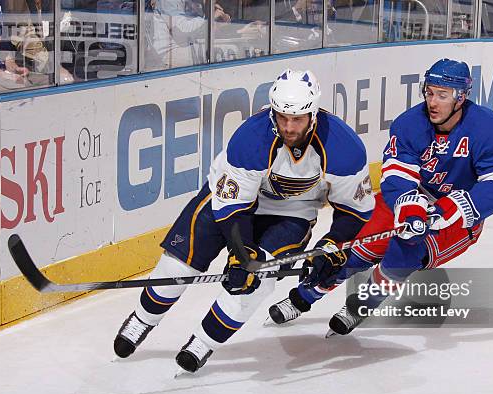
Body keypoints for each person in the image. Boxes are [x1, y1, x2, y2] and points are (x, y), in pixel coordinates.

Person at [113, 69, 375, 372]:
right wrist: (242, 253)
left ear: (313, 114)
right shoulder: (250, 138)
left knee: (257, 282)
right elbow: (232, 208)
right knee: (179, 264)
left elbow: (355, 211)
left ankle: (203, 342)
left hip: (292, 212)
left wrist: (332, 244)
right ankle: (142, 319)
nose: (288, 127)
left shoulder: (344, 149)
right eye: (281, 117)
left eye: (297, 119)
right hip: (231, 201)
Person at [268, 58, 493, 336]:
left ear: (461, 97)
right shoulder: (410, 123)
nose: (432, 102)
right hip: (408, 200)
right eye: (429, 92)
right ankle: (305, 296)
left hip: (458, 215)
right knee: (353, 251)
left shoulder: (488, 127)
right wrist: (412, 209)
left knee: (402, 257)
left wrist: (447, 210)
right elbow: (397, 173)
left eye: (442, 95)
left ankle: (360, 305)